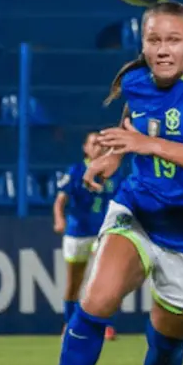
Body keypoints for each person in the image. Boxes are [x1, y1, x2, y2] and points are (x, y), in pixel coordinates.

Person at [16, 1, 183, 365]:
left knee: (166, 343)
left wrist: (148, 144)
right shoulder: (136, 81)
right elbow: (133, 122)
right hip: (138, 210)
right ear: (143, 44)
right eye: (154, 40)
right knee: (95, 299)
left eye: (173, 40)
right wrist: (115, 156)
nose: (162, 49)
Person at [53, 131, 116, 341]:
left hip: (101, 232)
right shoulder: (76, 170)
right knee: (74, 283)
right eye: (94, 143)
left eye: (102, 143)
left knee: (102, 280)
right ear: (86, 148)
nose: (99, 147)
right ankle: (69, 323)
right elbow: (60, 200)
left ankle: (103, 326)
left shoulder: (112, 171)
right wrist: (59, 219)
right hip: (77, 231)